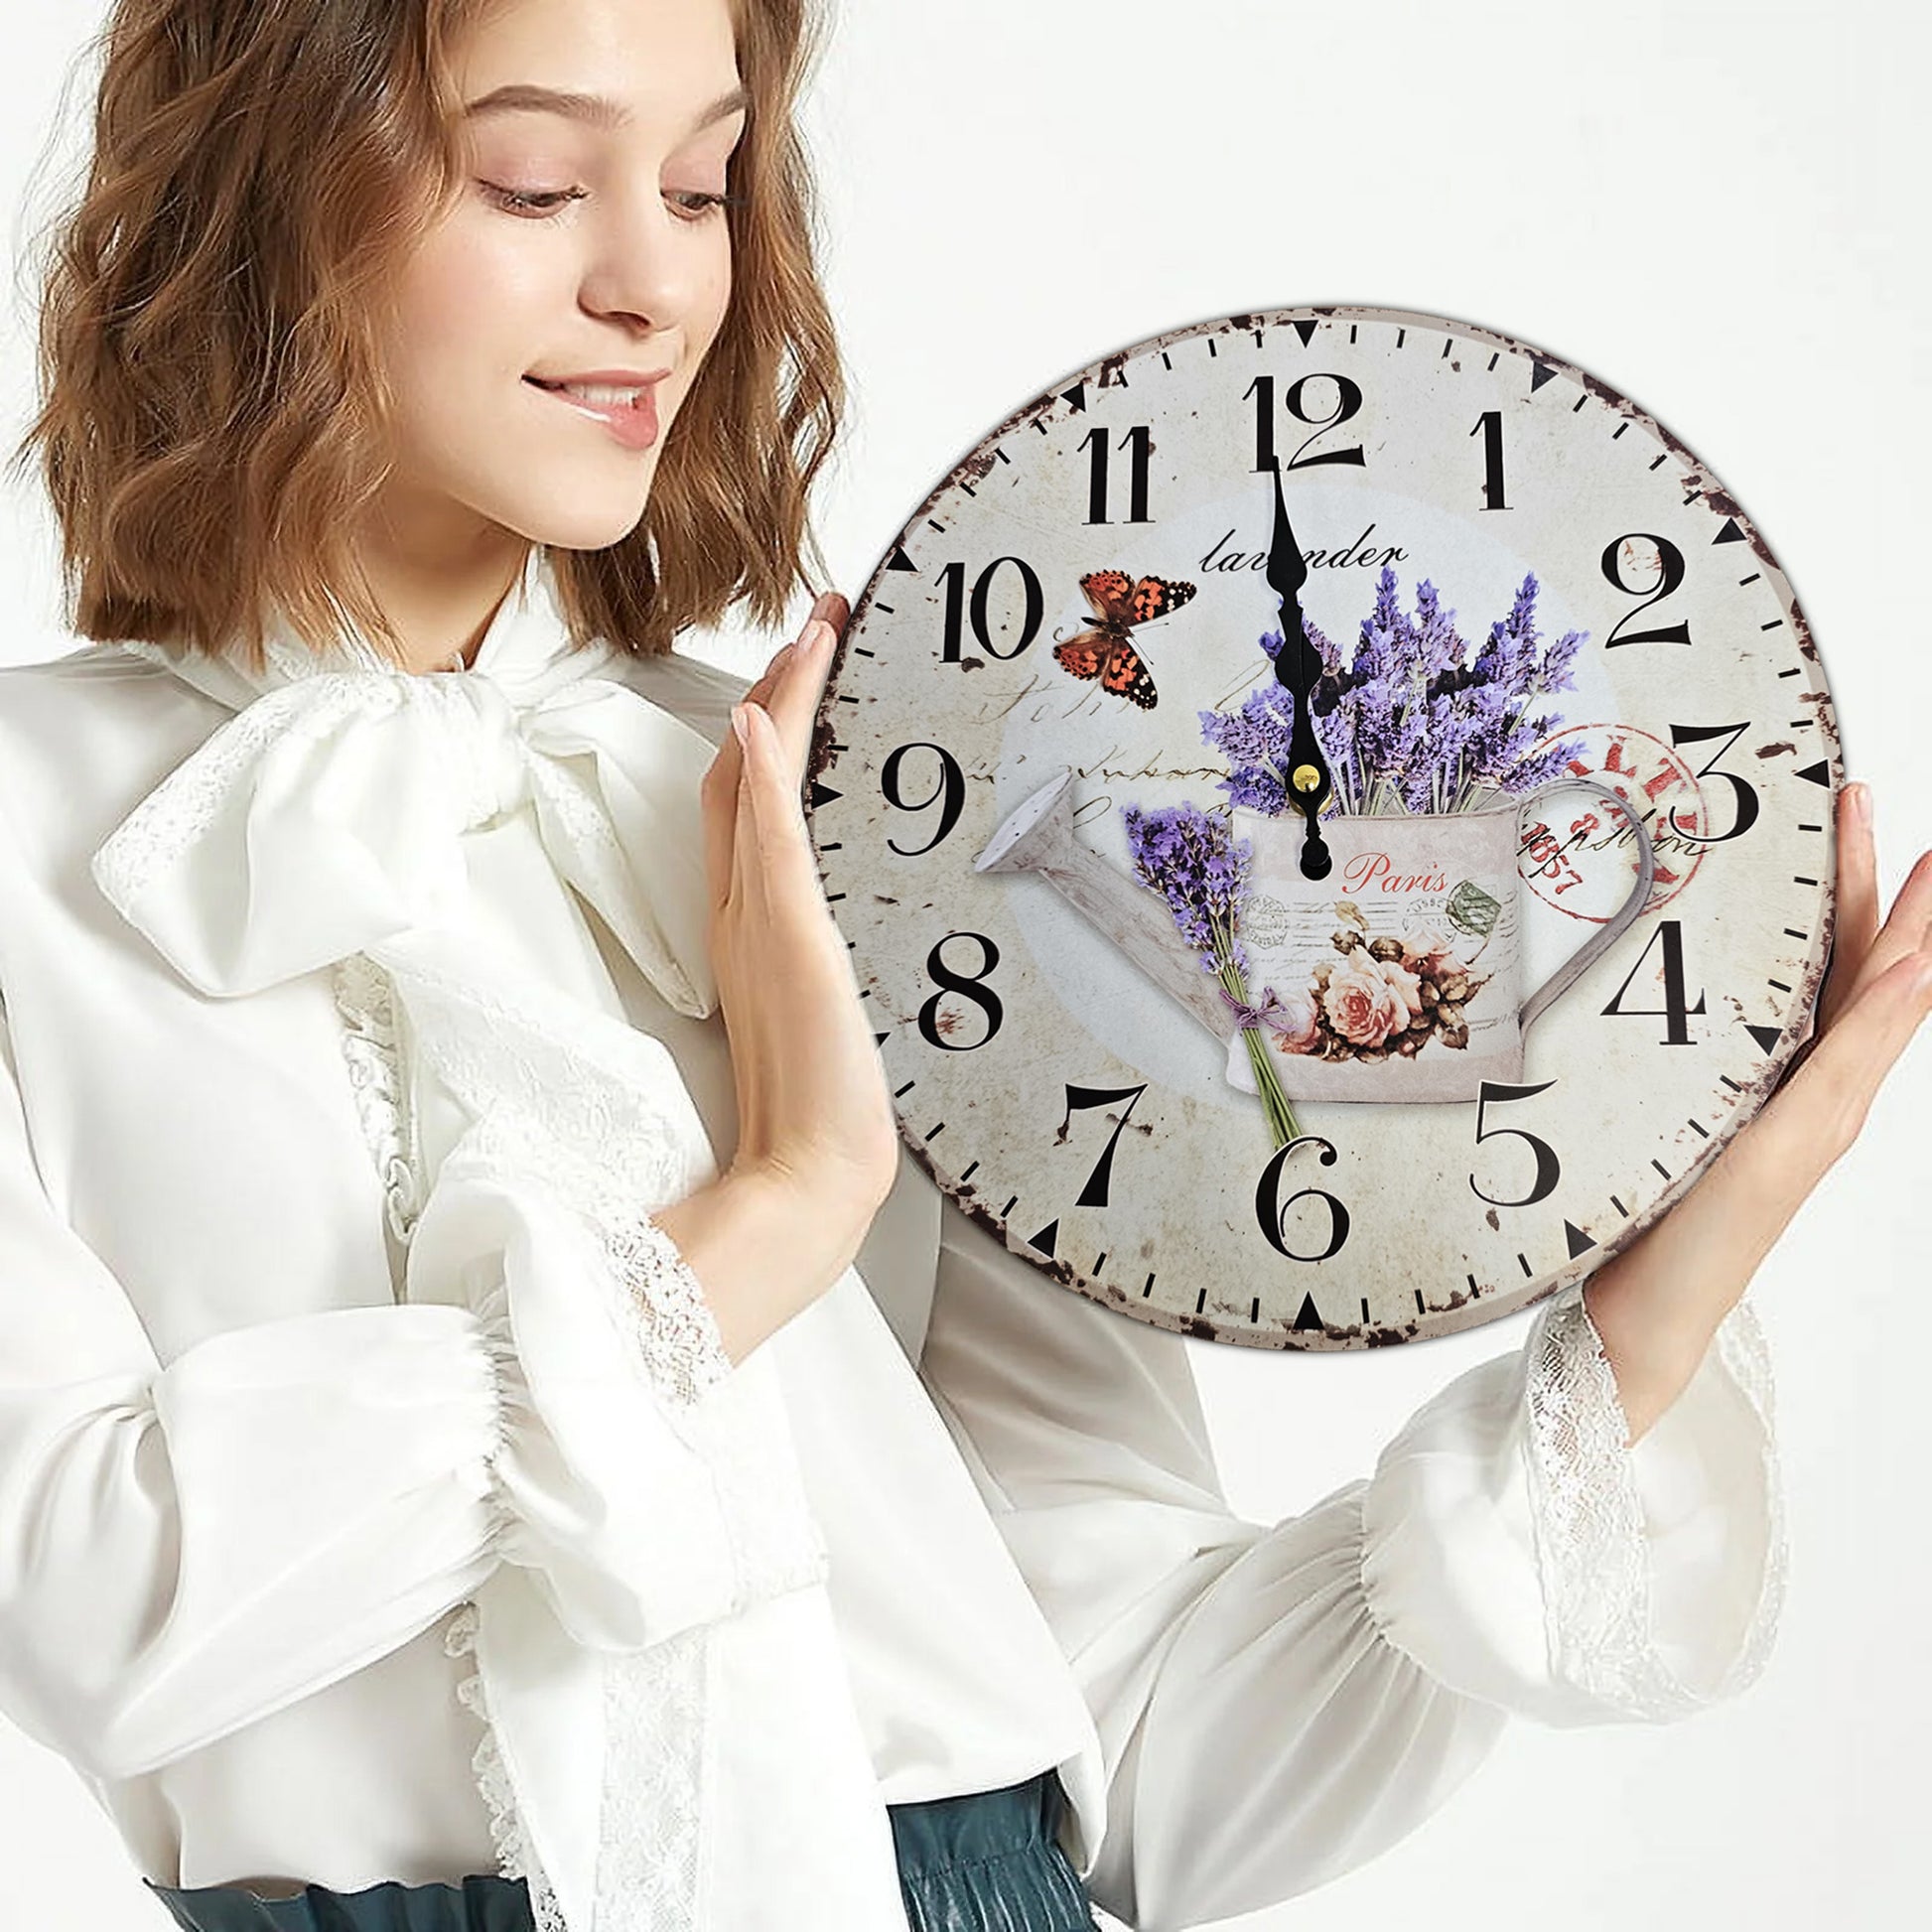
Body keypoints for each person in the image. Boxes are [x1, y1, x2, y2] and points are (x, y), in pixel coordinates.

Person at [0, 2, 1926, 1930]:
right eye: (534, 179)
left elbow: (1152, 1757)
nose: (655, 278)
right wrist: (778, 1207)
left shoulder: (831, 804)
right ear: (259, 194)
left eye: (700, 181)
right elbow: (100, 1599)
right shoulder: (35, 832)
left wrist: (1644, 1322)